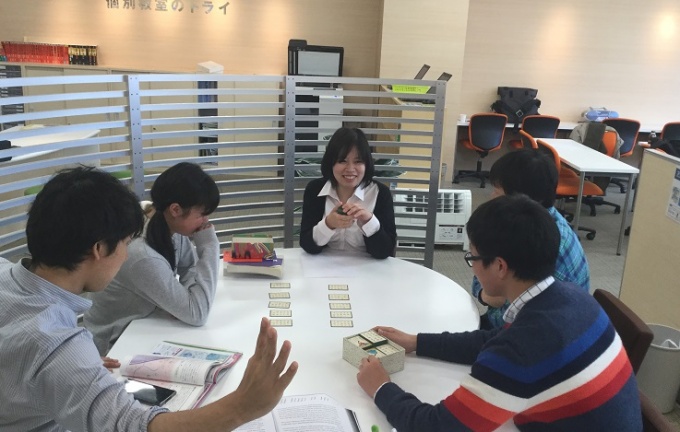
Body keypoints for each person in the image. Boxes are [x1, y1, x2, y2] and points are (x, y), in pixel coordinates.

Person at [0, 166, 297, 432]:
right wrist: (242, 406)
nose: (126, 254)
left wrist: (70, 367)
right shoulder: (58, 347)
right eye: (125, 243)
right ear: (99, 249)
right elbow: (138, 426)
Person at [356, 194, 642, 431]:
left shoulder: (521, 350)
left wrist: (381, 387)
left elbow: (437, 427)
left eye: (472, 257)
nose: (473, 267)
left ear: (500, 266)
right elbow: (493, 340)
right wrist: (416, 341)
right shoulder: (570, 296)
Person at [85, 162, 221, 355]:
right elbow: (197, 314)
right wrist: (210, 247)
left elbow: (190, 268)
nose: (206, 221)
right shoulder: (143, 255)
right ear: (175, 210)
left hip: (145, 324)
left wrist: (185, 301)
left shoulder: (166, 224)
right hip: (114, 345)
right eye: (202, 214)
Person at [473, 149, 591, 329]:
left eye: (497, 191)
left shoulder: (536, 243)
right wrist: (486, 295)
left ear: (519, 200)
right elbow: (482, 278)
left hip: (537, 332)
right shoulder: (531, 223)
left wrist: (488, 294)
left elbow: (509, 319)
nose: (492, 197)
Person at [299, 127, 397, 259]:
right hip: (324, 265)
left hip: (367, 267)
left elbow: (385, 251)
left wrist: (369, 221)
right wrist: (328, 224)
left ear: (366, 164)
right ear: (331, 162)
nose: (350, 169)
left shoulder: (380, 193)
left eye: (358, 161)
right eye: (342, 161)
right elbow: (307, 244)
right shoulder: (315, 189)